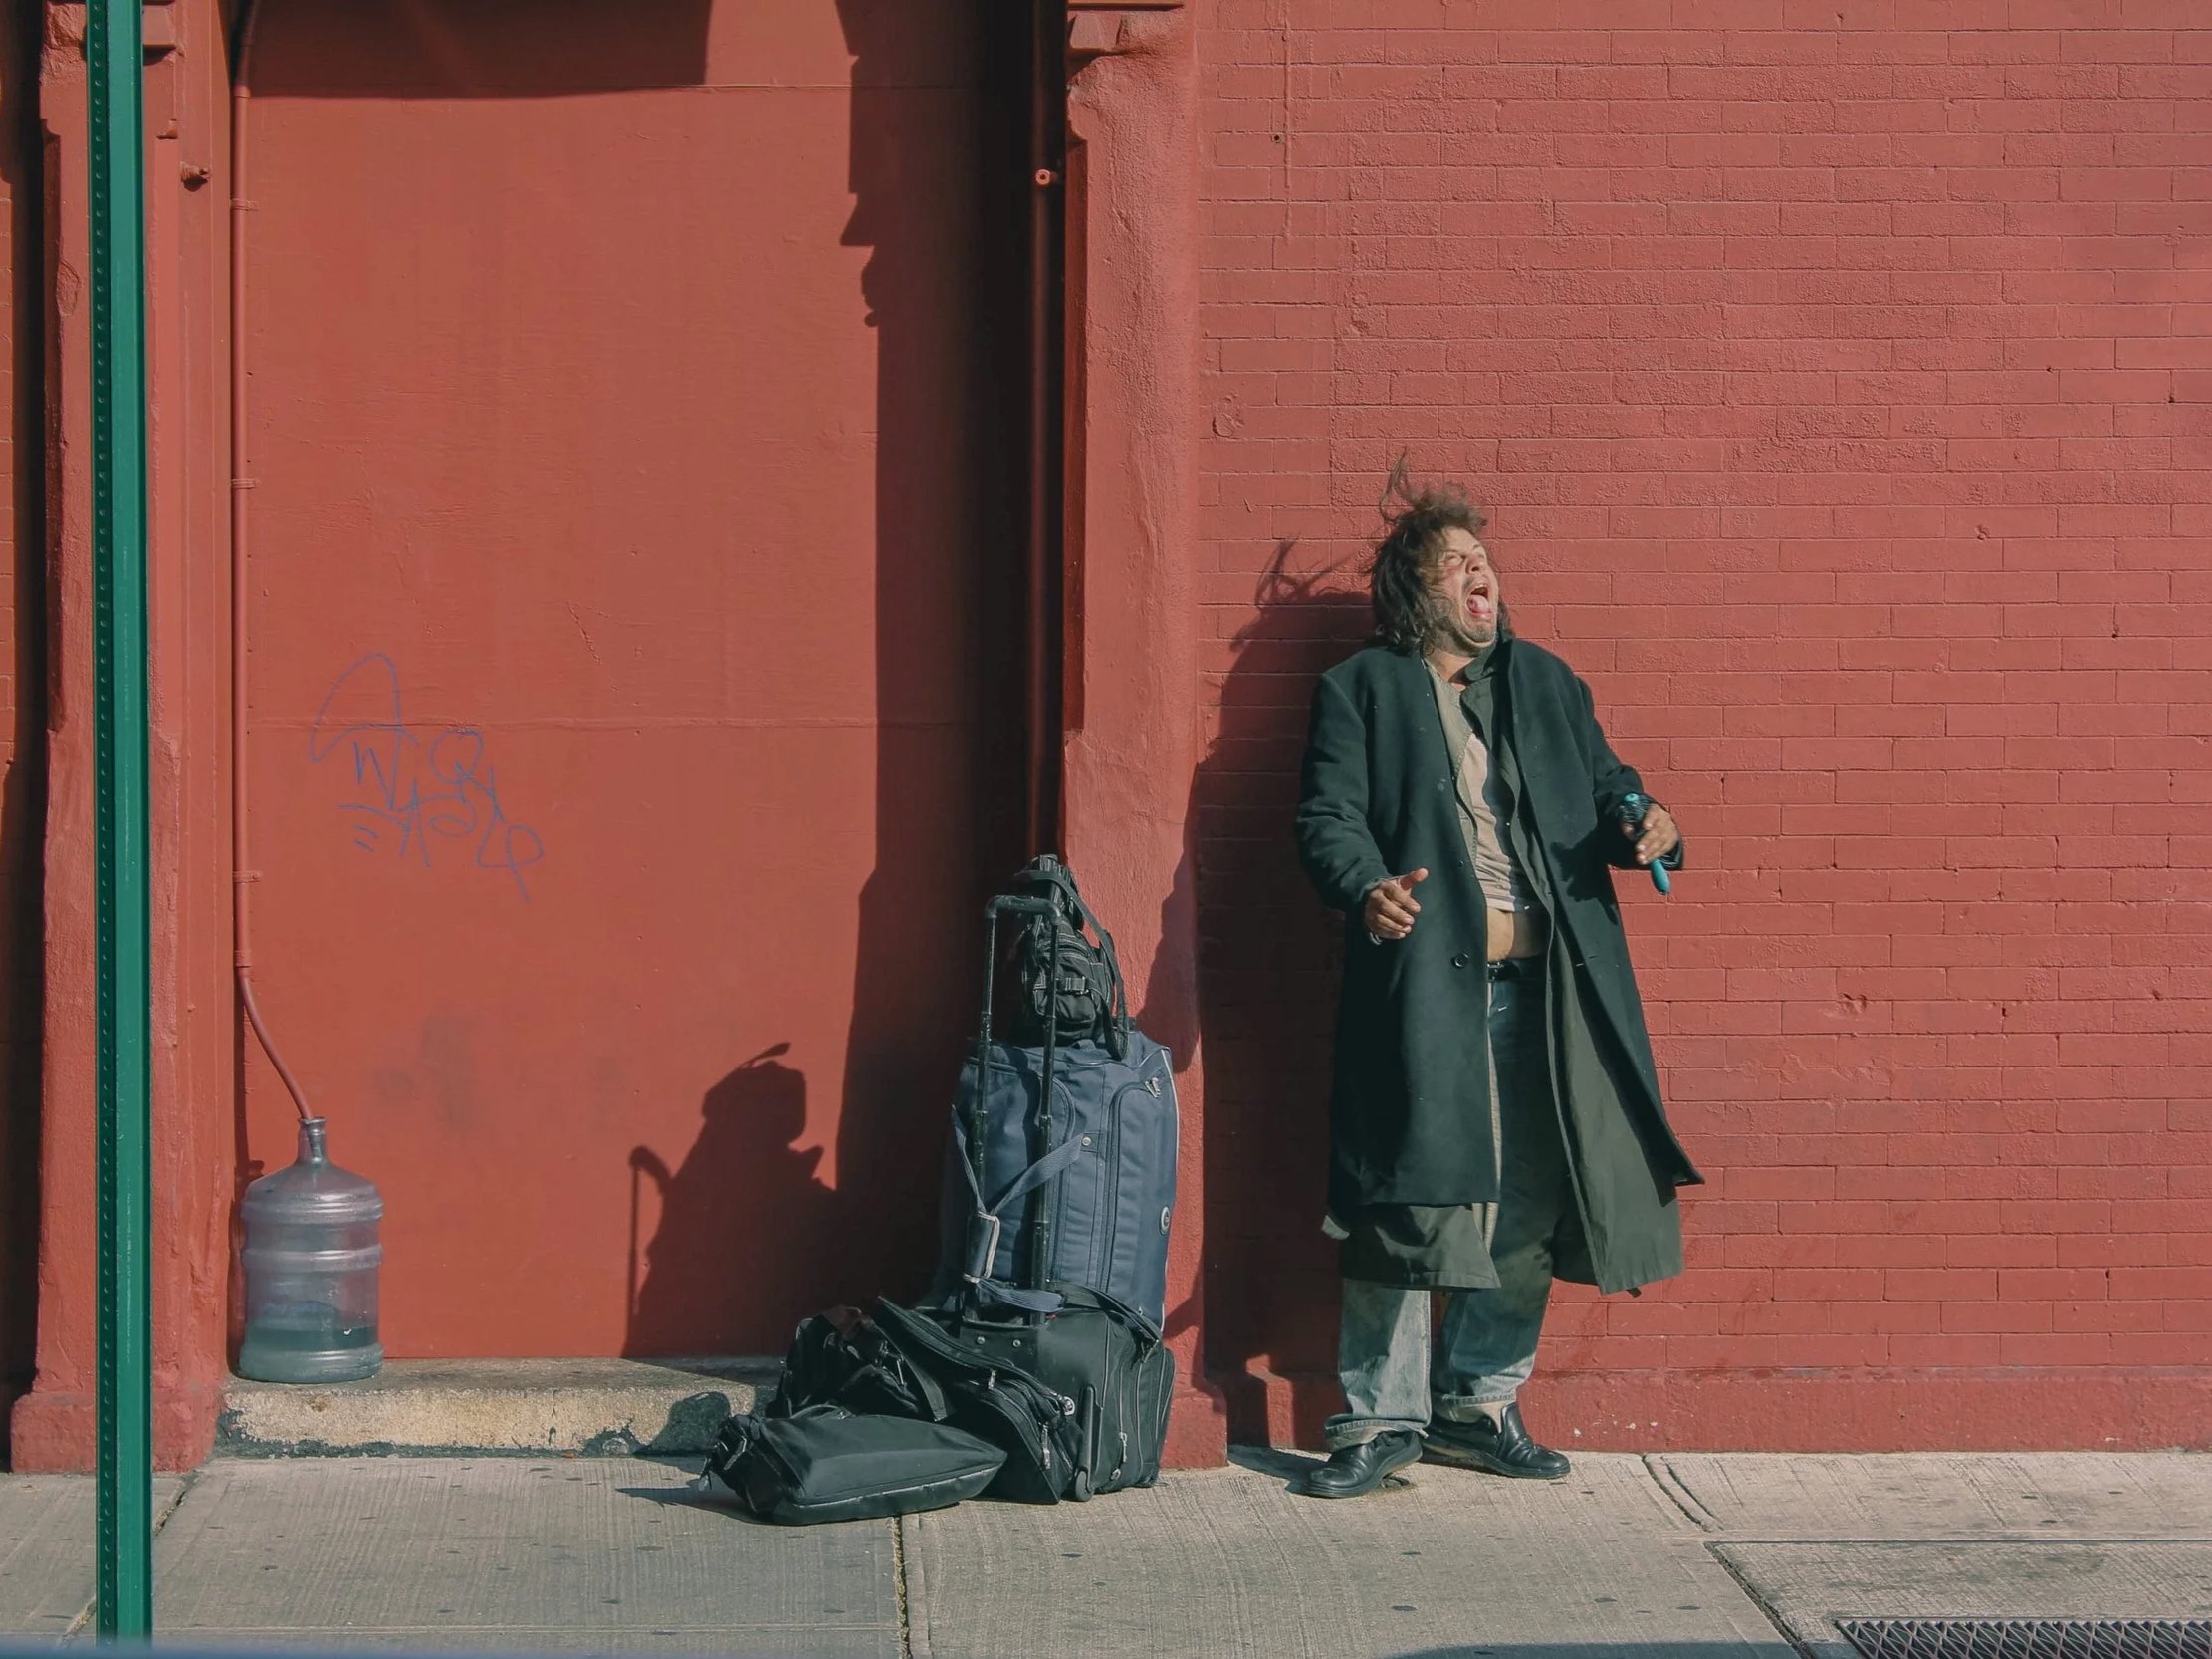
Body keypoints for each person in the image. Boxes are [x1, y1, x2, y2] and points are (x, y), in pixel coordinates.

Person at [1291, 461, 1700, 1500]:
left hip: (1551, 995)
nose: (1483, 574)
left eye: (1487, 561)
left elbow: (1610, 788)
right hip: (1427, 992)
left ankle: (1477, 1403)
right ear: (1417, 592)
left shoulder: (1549, 684)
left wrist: (1644, 817)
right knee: (1406, 1200)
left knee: (1530, 1197)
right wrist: (1362, 885)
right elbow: (1325, 816)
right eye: (1458, 563)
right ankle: (1379, 1420)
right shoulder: (1362, 692)